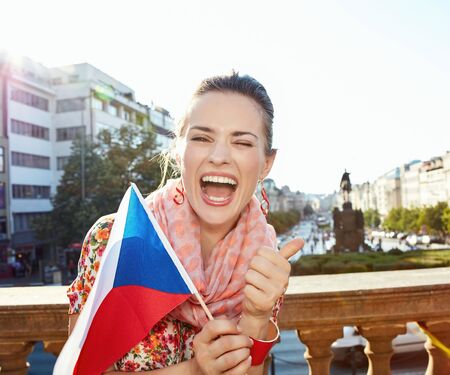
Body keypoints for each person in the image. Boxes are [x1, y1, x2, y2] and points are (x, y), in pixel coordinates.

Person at [66, 72, 303, 374]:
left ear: (266, 164)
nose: (219, 156)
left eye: (241, 142)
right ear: (179, 153)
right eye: (202, 138)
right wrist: (194, 370)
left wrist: (256, 316)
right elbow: (80, 369)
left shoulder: (263, 260)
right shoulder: (115, 239)